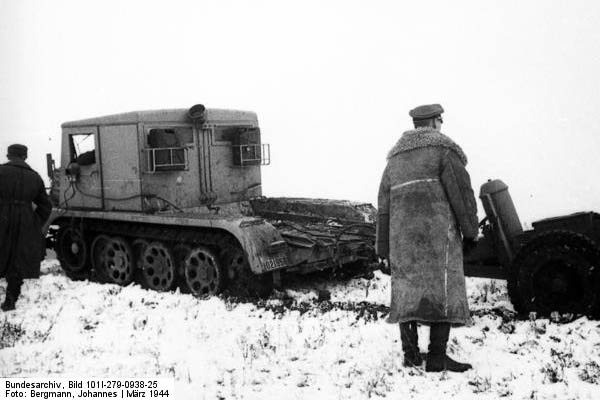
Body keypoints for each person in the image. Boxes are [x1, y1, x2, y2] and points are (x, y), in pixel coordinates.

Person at [376, 104, 479, 372]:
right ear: (434, 122)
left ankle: (410, 356)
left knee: (407, 296)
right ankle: (436, 357)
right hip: (437, 238)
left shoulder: (394, 161)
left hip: (402, 242)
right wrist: (470, 232)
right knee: (442, 292)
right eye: (439, 121)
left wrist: (383, 247)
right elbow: (462, 194)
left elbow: (384, 208)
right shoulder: (444, 152)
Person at [0, 144, 52, 311]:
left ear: (9, 156)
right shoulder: (35, 177)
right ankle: (11, 299)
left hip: (2, 218)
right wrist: (33, 221)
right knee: (17, 259)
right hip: (25, 222)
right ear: (25, 157)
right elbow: (46, 207)